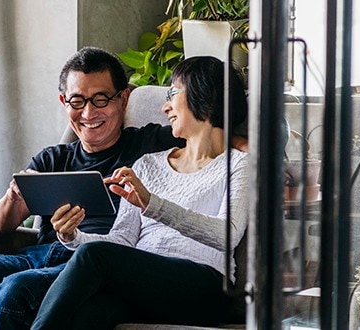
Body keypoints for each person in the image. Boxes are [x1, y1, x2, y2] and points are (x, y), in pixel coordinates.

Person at [0, 47, 183, 329]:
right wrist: (14, 195)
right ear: (63, 101)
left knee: (15, 288)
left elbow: (213, 133)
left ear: (123, 99)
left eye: (100, 99)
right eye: (77, 100)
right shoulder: (52, 158)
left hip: (90, 265)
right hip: (37, 256)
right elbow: (0, 226)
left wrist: (239, 144)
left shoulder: (149, 143)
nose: (88, 112)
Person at [31, 56, 250, 329]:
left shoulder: (240, 164)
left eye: (172, 93)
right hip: (144, 286)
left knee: (94, 256)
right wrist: (72, 237)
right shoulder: (148, 164)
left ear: (204, 94)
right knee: (85, 317)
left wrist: (152, 203)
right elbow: (122, 239)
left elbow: (226, 234)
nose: (165, 106)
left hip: (205, 287)